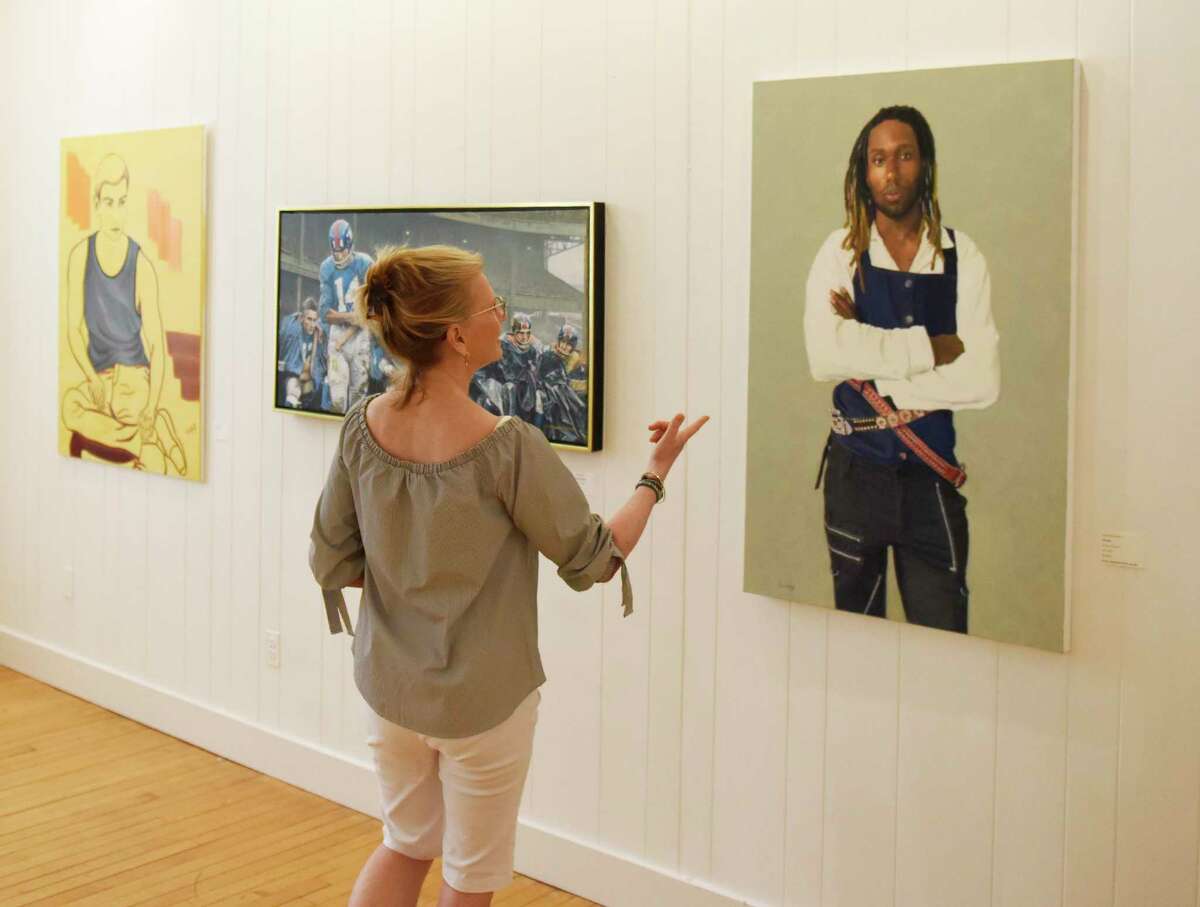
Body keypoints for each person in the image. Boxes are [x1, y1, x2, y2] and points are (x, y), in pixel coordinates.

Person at [309, 245, 706, 907]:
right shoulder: (507, 447)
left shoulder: (362, 428)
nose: (504, 312)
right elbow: (597, 559)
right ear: (457, 334)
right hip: (483, 707)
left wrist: (409, 593)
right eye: (492, 303)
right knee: (468, 875)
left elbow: (330, 560)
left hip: (391, 691)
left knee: (405, 843)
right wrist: (654, 474)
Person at [803, 105, 1000, 633]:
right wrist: (933, 349)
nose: (891, 171)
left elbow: (982, 380)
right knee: (852, 639)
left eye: (905, 156)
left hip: (930, 480)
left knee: (945, 641)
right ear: (864, 171)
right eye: (878, 159)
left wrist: (865, 351)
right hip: (854, 475)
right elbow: (825, 356)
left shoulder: (961, 256)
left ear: (925, 164)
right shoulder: (840, 251)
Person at [61, 153, 186, 474]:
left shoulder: (140, 263)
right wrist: (92, 378)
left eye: (122, 202)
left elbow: (157, 346)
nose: (116, 212)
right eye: (109, 202)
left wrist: (151, 403)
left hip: (132, 377)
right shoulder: (80, 257)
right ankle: (147, 437)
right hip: (99, 377)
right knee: (69, 408)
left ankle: (145, 428)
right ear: (97, 204)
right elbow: (73, 329)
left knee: (120, 410)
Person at [318, 218, 374, 413]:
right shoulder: (327, 268)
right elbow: (325, 313)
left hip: (360, 338)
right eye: (335, 251)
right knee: (339, 398)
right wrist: (354, 317)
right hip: (337, 336)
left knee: (358, 396)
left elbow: (371, 310)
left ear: (350, 246)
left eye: (342, 250)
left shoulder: (364, 264)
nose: (339, 255)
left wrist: (352, 319)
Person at [537, 322, 588, 444]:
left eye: (569, 344)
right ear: (559, 342)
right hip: (548, 394)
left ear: (573, 346)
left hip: (569, 395)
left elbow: (580, 382)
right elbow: (540, 375)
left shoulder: (578, 363)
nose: (565, 347)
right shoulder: (548, 355)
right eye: (563, 342)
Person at [277, 297, 326, 409]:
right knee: (293, 389)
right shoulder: (293, 329)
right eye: (309, 319)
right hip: (294, 376)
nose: (312, 324)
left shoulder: (319, 335)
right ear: (302, 318)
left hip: (311, 382)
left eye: (315, 320)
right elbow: (285, 327)